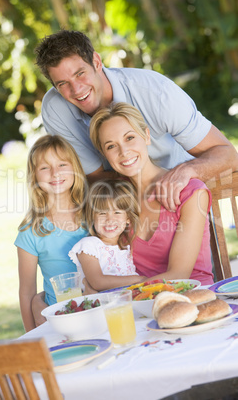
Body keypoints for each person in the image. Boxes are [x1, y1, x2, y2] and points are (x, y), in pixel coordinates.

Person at [35, 30, 238, 211]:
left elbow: (228, 155)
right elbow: (94, 177)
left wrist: (187, 171)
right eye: (62, 84)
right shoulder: (56, 109)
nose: (77, 90)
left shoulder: (156, 93)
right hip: (122, 209)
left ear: (97, 62)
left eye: (80, 74)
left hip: (181, 199)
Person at [89, 102, 214, 285]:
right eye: (111, 146)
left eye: (129, 138)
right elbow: (101, 258)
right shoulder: (115, 199)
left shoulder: (190, 192)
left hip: (191, 298)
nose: (124, 152)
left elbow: (178, 274)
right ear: (104, 154)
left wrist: (122, 293)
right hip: (141, 305)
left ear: (146, 136)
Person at [14, 135, 88, 332]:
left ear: (75, 169)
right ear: (35, 176)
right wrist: (32, 339)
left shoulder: (95, 214)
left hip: (98, 311)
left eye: (62, 164)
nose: (55, 173)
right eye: (45, 168)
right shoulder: (31, 231)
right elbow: (27, 292)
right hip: (57, 321)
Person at [69, 179, 147, 291]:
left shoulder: (125, 247)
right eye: (102, 213)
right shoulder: (89, 246)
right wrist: (139, 279)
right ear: (92, 218)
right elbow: (98, 282)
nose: (110, 219)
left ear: (128, 219)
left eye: (117, 212)